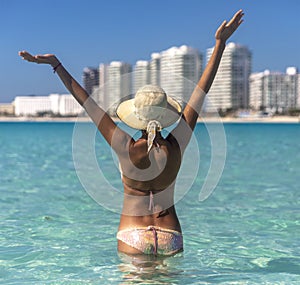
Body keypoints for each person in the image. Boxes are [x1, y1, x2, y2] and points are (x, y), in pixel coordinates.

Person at [19, 10, 244, 256]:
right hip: (171, 235)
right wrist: (220, 44)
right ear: (166, 113)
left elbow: (89, 105)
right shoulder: (176, 144)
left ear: (135, 116)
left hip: (132, 234)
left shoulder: (125, 146)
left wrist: (57, 65)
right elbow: (200, 93)